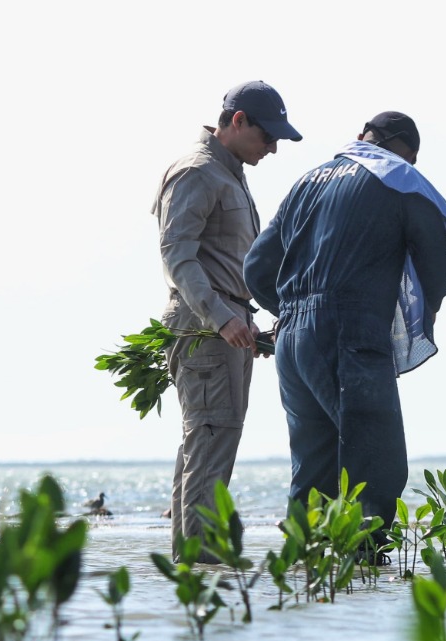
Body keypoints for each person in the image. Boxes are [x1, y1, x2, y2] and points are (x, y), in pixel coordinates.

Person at [244, 111, 446, 538]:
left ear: (363, 136)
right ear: (406, 151)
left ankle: (306, 568)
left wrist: (287, 313)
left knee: (315, 473)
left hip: (292, 346)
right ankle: (367, 568)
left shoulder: (307, 182)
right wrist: (430, 309)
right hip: (350, 335)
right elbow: (436, 260)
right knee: (376, 467)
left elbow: (255, 268)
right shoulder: (398, 177)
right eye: (410, 158)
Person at [155, 80, 301, 558]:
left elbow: (223, 262)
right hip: (204, 328)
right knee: (210, 444)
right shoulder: (196, 172)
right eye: (267, 136)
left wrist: (243, 320)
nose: (272, 148)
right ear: (238, 121)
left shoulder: (228, 172)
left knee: (207, 445)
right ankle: (199, 570)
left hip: (225, 325)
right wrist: (221, 317)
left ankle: (192, 567)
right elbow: (177, 256)